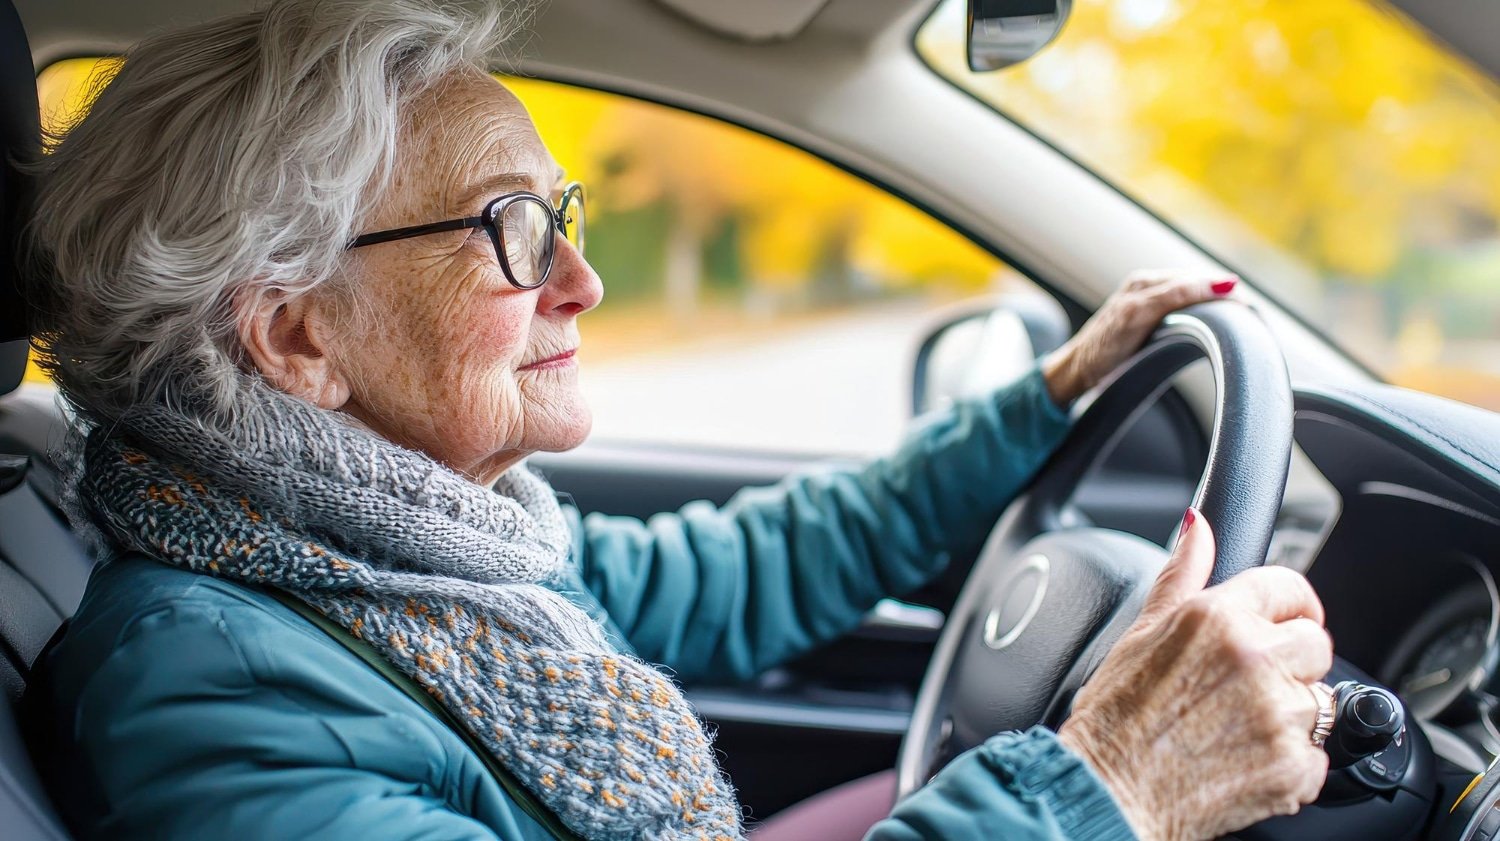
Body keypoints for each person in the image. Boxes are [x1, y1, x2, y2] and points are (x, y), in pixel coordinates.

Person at [21, 1, 1332, 839]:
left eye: (565, 216)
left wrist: (1044, 396)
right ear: (297, 332)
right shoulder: (211, 691)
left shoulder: (432, 556)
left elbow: (762, 563)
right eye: (512, 230)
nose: (581, 282)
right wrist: (1106, 782)